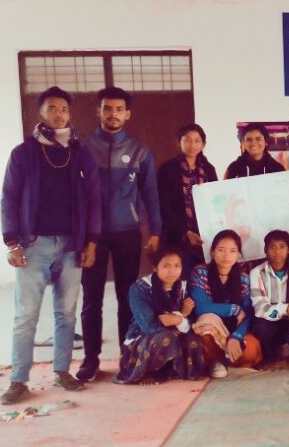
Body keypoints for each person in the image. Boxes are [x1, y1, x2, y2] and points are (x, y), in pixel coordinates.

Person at [0, 86, 101, 404]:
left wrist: (91, 241)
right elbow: (9, 198)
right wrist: (12, 242)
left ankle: (62, 371)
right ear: (41, 113)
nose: (59, 114)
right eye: (52, 108)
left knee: (66, 313)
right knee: (26, 315)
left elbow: (94, 198)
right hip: (34, 245)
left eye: (64, 109)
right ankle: (18, 380)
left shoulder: (80, 152)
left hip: (72, 246)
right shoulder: (23, 153)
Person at [78, 86, 163, 381]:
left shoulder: (140, 151)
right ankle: (91, 359)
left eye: (118, 109)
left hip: (128, 232)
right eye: (107, 108)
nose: (112, 114)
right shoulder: (82, 147)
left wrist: (155, 231)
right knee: (91, 299)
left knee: (127, 297)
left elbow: (150, 194)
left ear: (127, 114)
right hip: (92, 236)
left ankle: (128, 354)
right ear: (98, 112)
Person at [114, 247, 206, 385]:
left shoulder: (182, 287)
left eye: (177, 266)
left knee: (193, 337)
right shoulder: (139, 288)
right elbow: (149, 326)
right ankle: (145, 372)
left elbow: (189, 322)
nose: (172, 271)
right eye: (166, 266)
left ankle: (174, 370)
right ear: (155, 268)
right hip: (143, 338)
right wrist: (180, 318)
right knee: (165, 337)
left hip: (173, 332)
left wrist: (179, 319)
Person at [190, 230, 262, 378]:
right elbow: (200, 307)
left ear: (238, 255)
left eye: (232, 251)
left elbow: (247, 313)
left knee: (252, 350)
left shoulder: (243, 279)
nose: (226, 255)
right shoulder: (200, 272)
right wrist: (234, 309)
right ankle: (217, 360)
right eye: (221, 250)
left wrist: (236, 337)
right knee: (207, 321)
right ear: (213, 252)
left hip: (233, 328)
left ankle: (226, 358)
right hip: (211, 329)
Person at [158, 123, 218, 274]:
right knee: (178, 275)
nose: (193, 145)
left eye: (197, 140)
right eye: (187, 140)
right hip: (176, 235)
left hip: (204, 235)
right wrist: (185, 231)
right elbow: (164, 205)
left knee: (203, 275)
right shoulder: (167, 169)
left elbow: (215, 200)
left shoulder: (209, 169)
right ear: (179, 142)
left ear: (203, 144)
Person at [249, 230, 289, 367]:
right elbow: (260, 308)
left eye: (282, 246)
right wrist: (287, 308)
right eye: (272, 247)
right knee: (261, 327)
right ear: (265, 251)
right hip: (270, 323)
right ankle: (270, 355)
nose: (277, 251)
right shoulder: (257, 273)